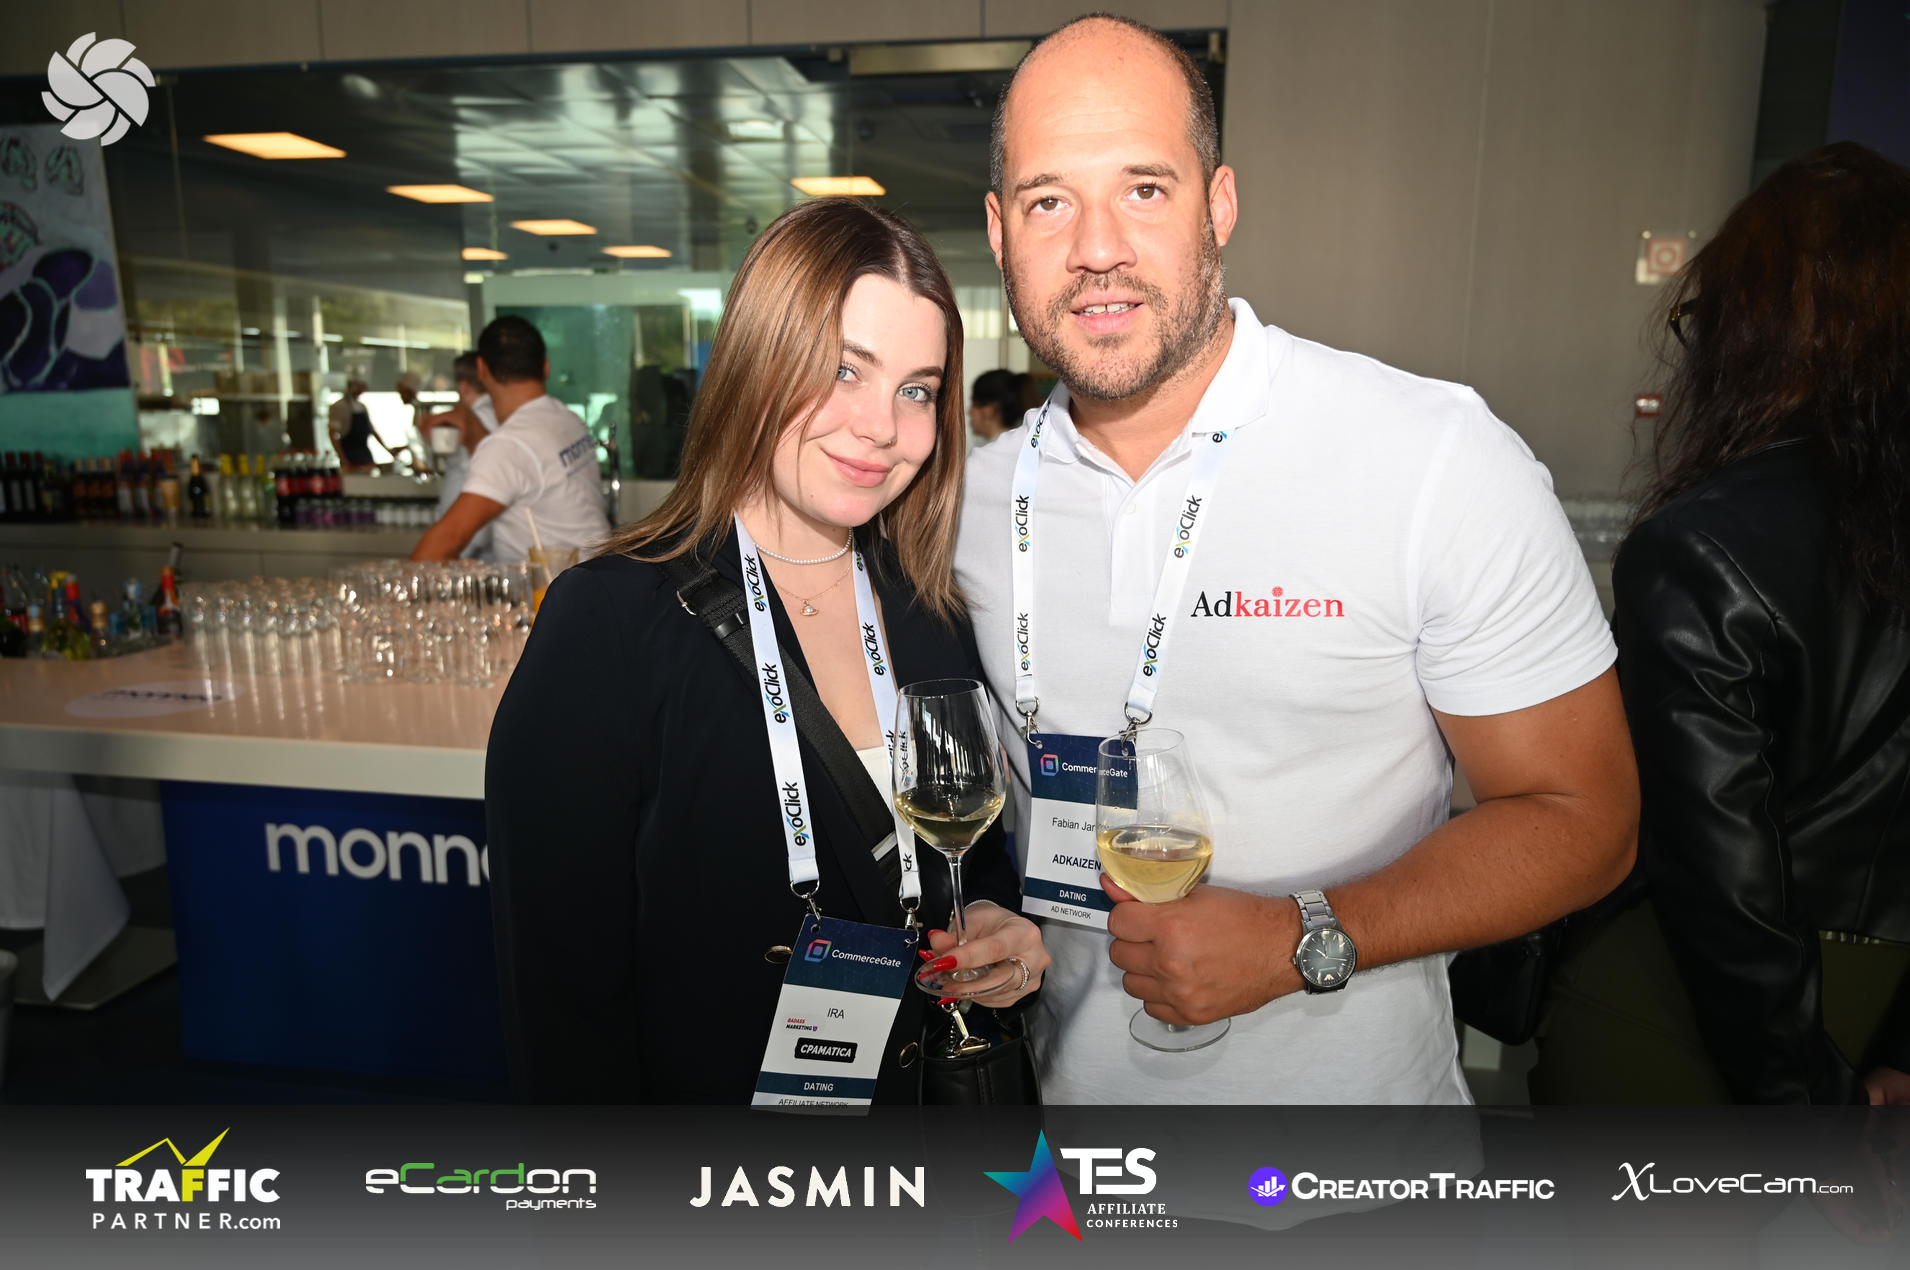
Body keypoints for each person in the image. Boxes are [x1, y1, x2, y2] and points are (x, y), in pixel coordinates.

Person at [954, 14, 1638, 1104]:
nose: (1096, 248)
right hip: (1062, 1155)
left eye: (1144, 188)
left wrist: (1303, 935)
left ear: (1218, 203)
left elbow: (1584, 819)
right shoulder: (964, 502)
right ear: (999, 233)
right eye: (1049, 201)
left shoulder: (1430, 456)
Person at [485, 198, 1051, 1103]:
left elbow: (968, 861)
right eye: (843, 370)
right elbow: (562, 1009)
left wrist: (993, 921)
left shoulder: (928, 610)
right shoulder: (609, 624)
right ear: (757, 362)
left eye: (916, 389)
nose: (882, 426)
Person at [1530, 143, 1910, 1106]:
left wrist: (1802, 1103)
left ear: (1753, 329)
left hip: (1699, 1016)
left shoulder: (1702, 546)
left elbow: (1720, 871)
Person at [410, 317, 610, 565]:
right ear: (546, 368)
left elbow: (448, 539)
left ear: (481, 369)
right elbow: (523, 468)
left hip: (555, 586)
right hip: (596, 572)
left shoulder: (510, 445)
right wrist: (473, 431)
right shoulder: (567, 419)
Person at [423, 352, 499, 561]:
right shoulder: (496, 416)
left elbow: (478, 481)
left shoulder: (477, 419)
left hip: (469, 542)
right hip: (473, 538)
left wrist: (457, 549)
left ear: (463, 387)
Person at [328, 377, 377, 471]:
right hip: (349, 455)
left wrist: (388, 450)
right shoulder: (339, 406)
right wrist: (342, 458)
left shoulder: (362, 406)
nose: (363, 390)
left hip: (365, 454)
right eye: (361, 387)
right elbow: (332, 433)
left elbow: (372, 430)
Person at [968, 368, 1027, 445]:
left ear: (989, 410)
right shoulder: (1022, 445)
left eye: (974, 404)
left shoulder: (987, 452)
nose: (969, 412)